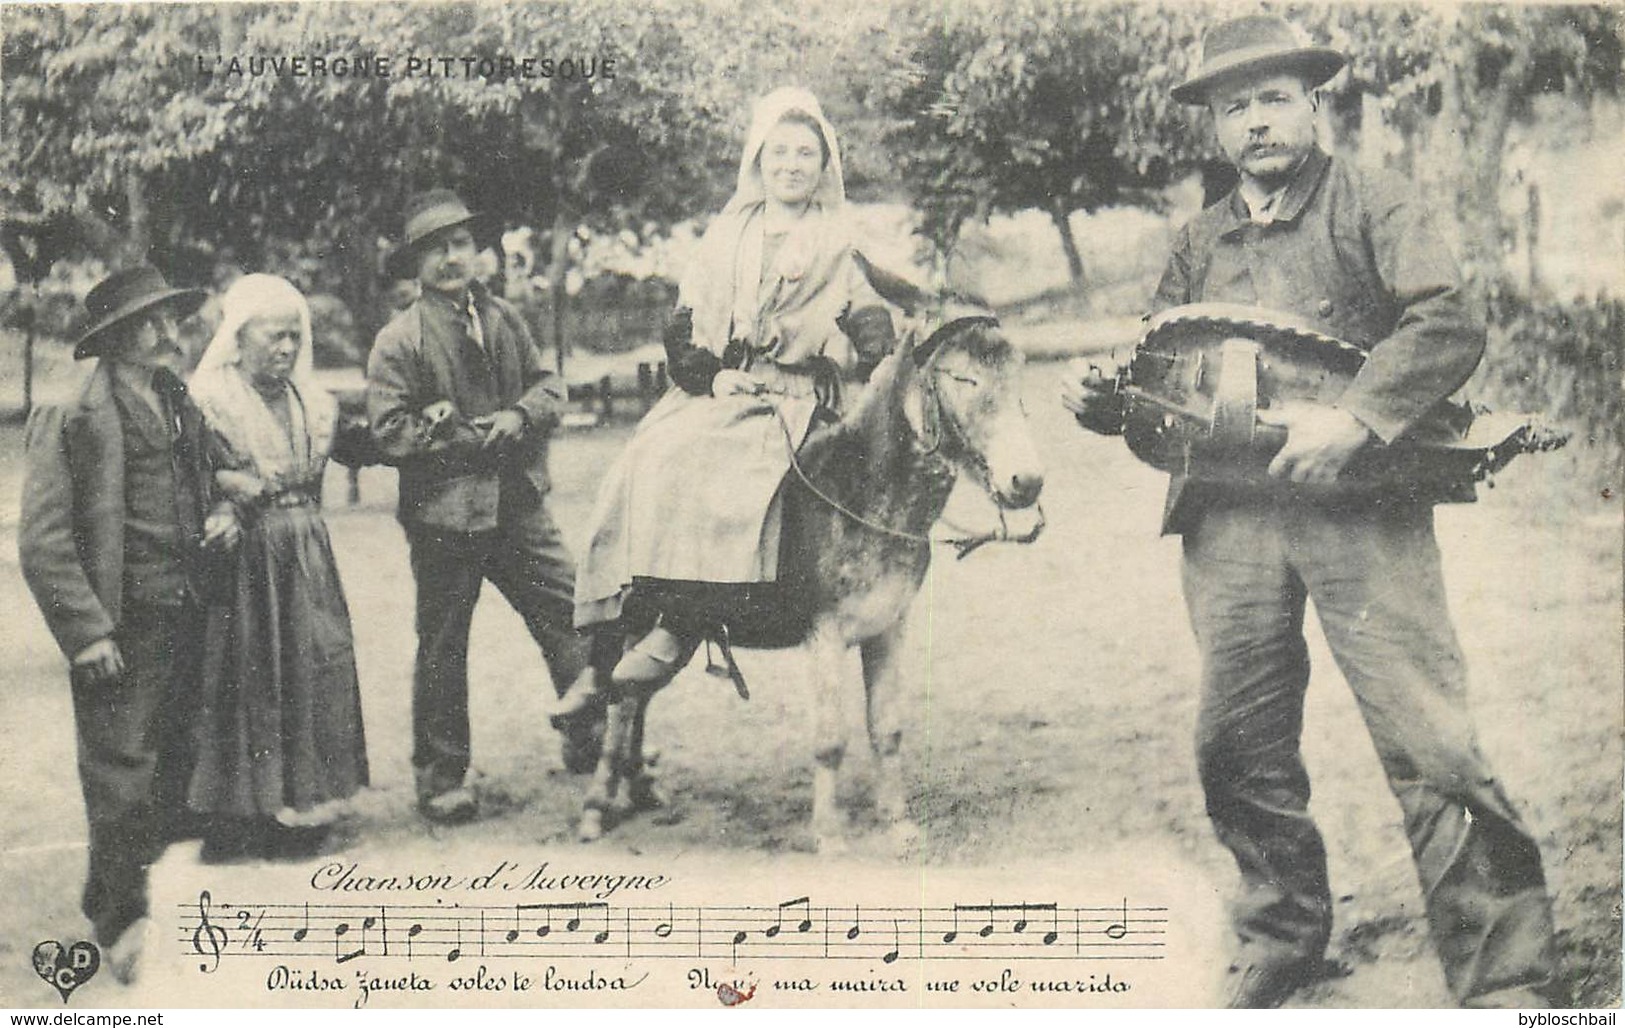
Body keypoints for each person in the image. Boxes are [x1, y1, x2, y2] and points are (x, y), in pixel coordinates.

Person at [1062, 14, 1563, 1009]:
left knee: (1429, 740)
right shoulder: (1194, 241)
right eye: (1233, 105)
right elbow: (1163, 391)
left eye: (1273, 96)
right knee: (1233, 743)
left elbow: (1445, 318)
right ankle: (1279, 932)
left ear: (1313, 101)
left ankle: (1505, 973)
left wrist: (1360, 417)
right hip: (1228, 522)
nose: (1255, 121)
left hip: (1360, 508)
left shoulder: (1374, 201)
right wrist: (1107, 406)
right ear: (1211, 126)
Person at [570, 87, 897, 687]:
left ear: (825, 165)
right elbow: (685, 325)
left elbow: (869, 316)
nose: (792, 166)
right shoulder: (727, 234)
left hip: (798, 397)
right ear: (758, 160)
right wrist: (714, 375)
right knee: (652, 454)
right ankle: (622, 632)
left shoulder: (840, 239)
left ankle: (689, 621)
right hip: (725, 388)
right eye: (780, 153)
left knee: (745, 467)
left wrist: (880, 363)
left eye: (806, 154)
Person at [19, 266, 241, 982]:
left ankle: (150, 905)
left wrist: (225, 508)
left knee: (177, 760)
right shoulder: (76, 413)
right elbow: (43, 541)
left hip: (186, 607)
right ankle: (118, 921)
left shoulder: (176, 397)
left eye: (168, 317)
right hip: (123, 623)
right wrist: (87, 631)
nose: (166, 331)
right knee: (121, 772)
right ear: (114, 336)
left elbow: (220, 469)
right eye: (149, 321)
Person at [367, 190, 610, 824]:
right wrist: (455, 431)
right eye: (436, 250)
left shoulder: (502, 318)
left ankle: (591, 735)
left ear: (479, 253)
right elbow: (389, 432)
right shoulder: (399, 341)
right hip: (445, 516)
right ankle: (442, 777)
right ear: (415, 264)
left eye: (461, 246)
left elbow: (547, 386)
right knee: (444, 644)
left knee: (572, 610)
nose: (453, 259)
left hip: (516, 503)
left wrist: (519, 414)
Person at [185, 274, 369, 859]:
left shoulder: (312, 404)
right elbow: (186, 473)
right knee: (248, 675)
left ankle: (292, 802)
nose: (286, 348)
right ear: (239, 337)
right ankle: (239, 815)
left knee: (308, 666)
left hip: (305, 554)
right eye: (274, 336)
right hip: (246, 560)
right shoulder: (210, 402)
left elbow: (359, 447)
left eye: (295, 336)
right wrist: (224, 488)